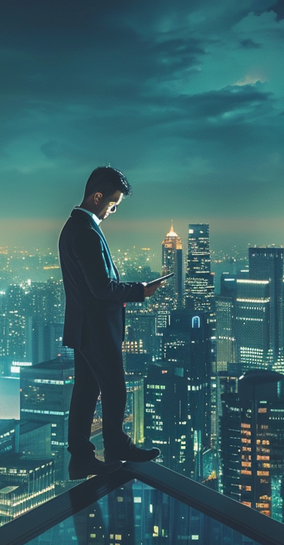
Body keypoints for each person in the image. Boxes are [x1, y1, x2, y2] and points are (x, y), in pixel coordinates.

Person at [59, 166, 162, 479]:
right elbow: (101, 287)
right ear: (98, 196)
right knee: (115, 389)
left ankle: (81, 458)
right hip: (96, 328)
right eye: (113, 204)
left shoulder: (74, 226)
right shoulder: (86, 232)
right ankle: (115, 447)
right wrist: (140, 291)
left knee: (86, 392)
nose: (113, 211)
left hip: (84, 326)